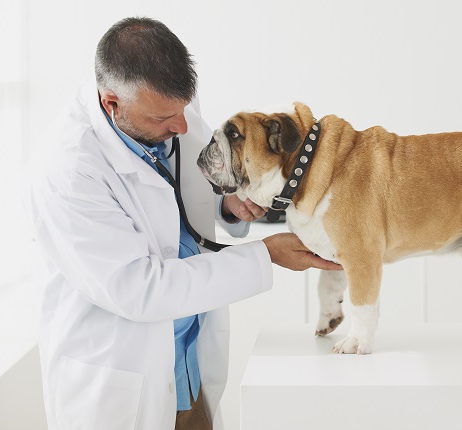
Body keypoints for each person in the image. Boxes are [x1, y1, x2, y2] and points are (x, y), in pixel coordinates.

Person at [23, 16, 341, 430]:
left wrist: (227, 205)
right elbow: (141, 288)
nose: (183, 127)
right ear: (111, 103)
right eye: (164, 119)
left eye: (184, 109)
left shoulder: (166, 109)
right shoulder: (68, 172)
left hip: (188, 373)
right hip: (123, 390)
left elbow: (178, 200)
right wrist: (264, 255)